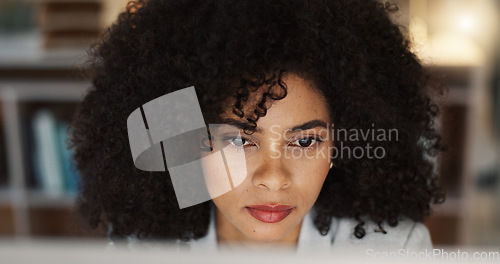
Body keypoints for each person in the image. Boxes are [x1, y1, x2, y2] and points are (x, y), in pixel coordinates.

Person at [68, 0, 445, 253]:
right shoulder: (143, 249)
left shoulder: (396, 250)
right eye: (237, 140)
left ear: (338, 147)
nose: (273, 178)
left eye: (305, 141)